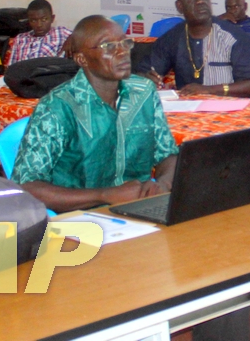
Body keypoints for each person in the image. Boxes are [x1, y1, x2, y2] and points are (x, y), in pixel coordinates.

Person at [11, 14, 178, 212]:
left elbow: (167, 155)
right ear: (82, 59)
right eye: (108, 46)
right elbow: (26, 187)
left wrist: (163, 185)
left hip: (138, 210)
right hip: (80, 219)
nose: (122, 52)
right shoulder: (57, 107)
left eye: (125, 43)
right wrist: (105, 195)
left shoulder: (143, 92)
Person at [137, 0, 250, 97]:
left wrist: (209, 90)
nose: (200, 1)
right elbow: (142, 73)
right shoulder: (172, 37)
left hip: (228, 110)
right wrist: (146, 78)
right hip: (187, 111)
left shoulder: (234, 36)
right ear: (179, 7)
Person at [7, 0, 72, 64]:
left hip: (50, 72)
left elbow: (81, 33)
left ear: (52, 18)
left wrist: (71, 39)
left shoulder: (61, 33)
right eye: (33, 20)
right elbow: (11, 67)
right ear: (28, 21)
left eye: (44, 19)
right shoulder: (20, 38)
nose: (39, 25)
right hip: (24, 72)